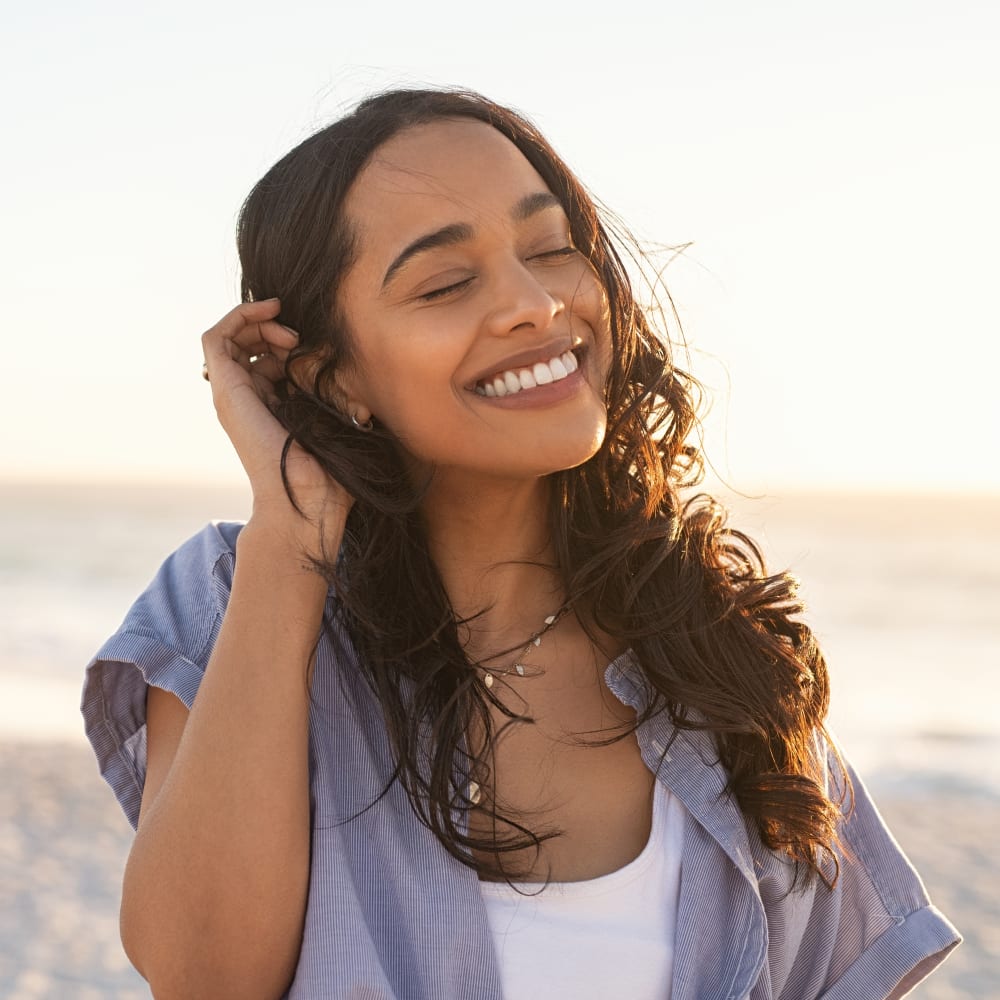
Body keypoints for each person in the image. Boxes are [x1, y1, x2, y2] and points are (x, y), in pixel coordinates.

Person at [82, 88, 959, 1000]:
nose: (535, 306)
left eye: (549, 251)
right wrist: (291, 535)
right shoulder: (233, 598)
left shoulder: (723, 655)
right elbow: (202, 977)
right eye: (447, 283)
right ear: (333, 372)